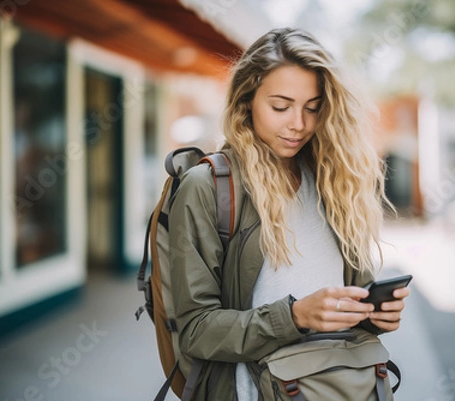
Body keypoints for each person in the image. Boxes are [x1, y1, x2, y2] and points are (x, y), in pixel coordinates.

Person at [168, 27, 409, 400]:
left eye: (312, 108)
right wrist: (295, 317)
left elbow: (348, 302)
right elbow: (197, 331)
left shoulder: (335, 181)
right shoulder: (209, 188)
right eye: (280, 106)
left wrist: (375, 316)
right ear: (246, 100)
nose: (299, 124)